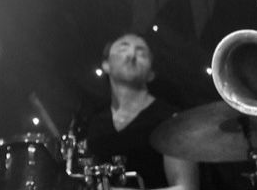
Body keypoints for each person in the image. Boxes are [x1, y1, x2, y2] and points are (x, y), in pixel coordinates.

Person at [82, 33, 199, 190]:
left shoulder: (170, 120)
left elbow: (186, 188)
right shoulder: (96, 123)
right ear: (106, 65)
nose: (131, 55)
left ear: (151, 74)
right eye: (123, 48)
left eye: (141, 53)